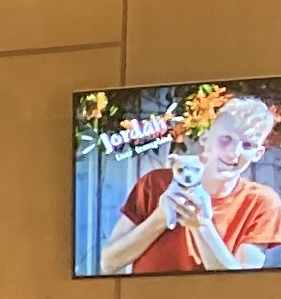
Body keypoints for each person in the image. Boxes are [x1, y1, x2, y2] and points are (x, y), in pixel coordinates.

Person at [105, 89, 281, 272]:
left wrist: (202, 225)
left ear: (258, 154)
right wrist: (161, 217)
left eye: (247, 145)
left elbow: (241, 287)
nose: (233, 153)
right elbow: (109, 263)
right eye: (225, 139)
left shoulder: (261, 202)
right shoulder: (155, 183)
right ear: (205, 138)